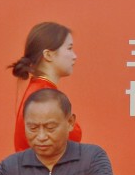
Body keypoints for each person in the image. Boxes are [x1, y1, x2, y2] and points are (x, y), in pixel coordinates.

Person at [8, 22, 82, 152]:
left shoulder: (40, 91)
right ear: (48, 55)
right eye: (69, 48)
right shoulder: (43, 97)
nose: (74, 56)